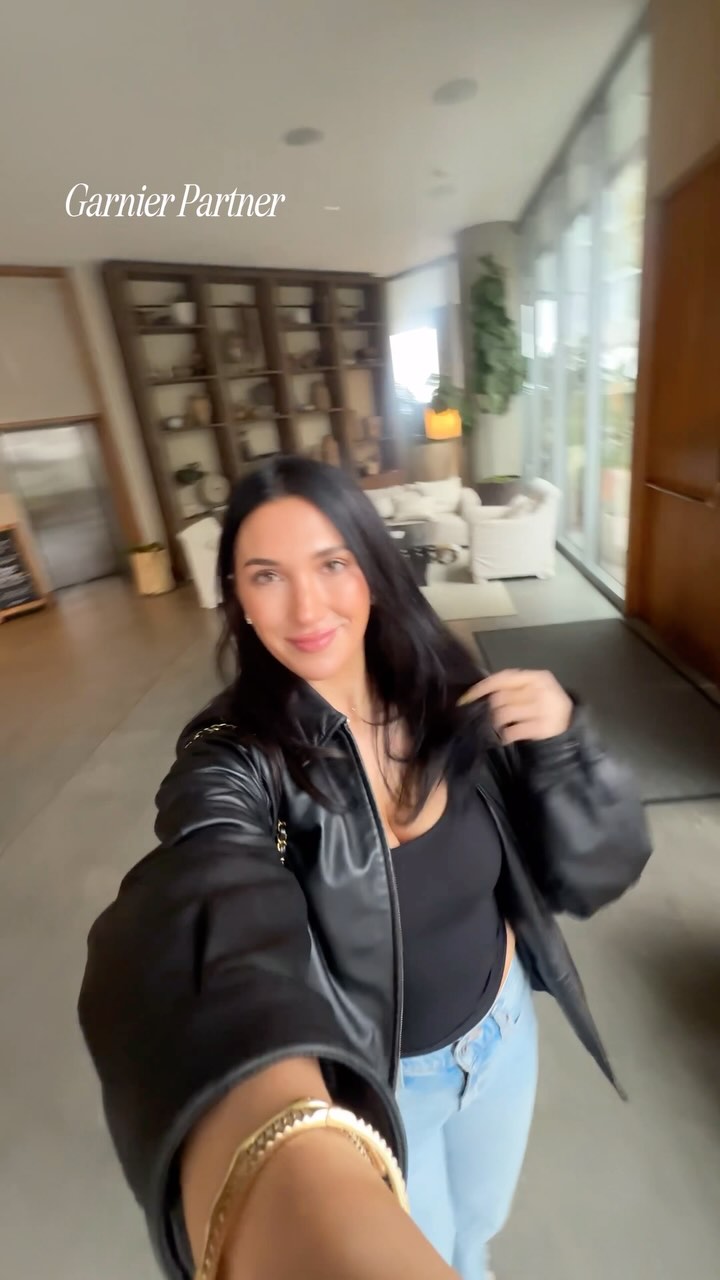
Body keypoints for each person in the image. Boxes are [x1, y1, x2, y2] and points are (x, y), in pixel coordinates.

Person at [78, 456, 652, 1280]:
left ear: (373, 571)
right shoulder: (233, 759)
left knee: (477, 1231)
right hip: (385, 1084)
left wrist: (564, 745)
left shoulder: (449, 692)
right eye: (267, 575)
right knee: (431, 1250)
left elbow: (601, 872)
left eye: (332, 564)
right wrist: (273, 1120)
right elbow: (206, 895)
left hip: (502, 1037)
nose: (307, 607)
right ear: (237, 597)